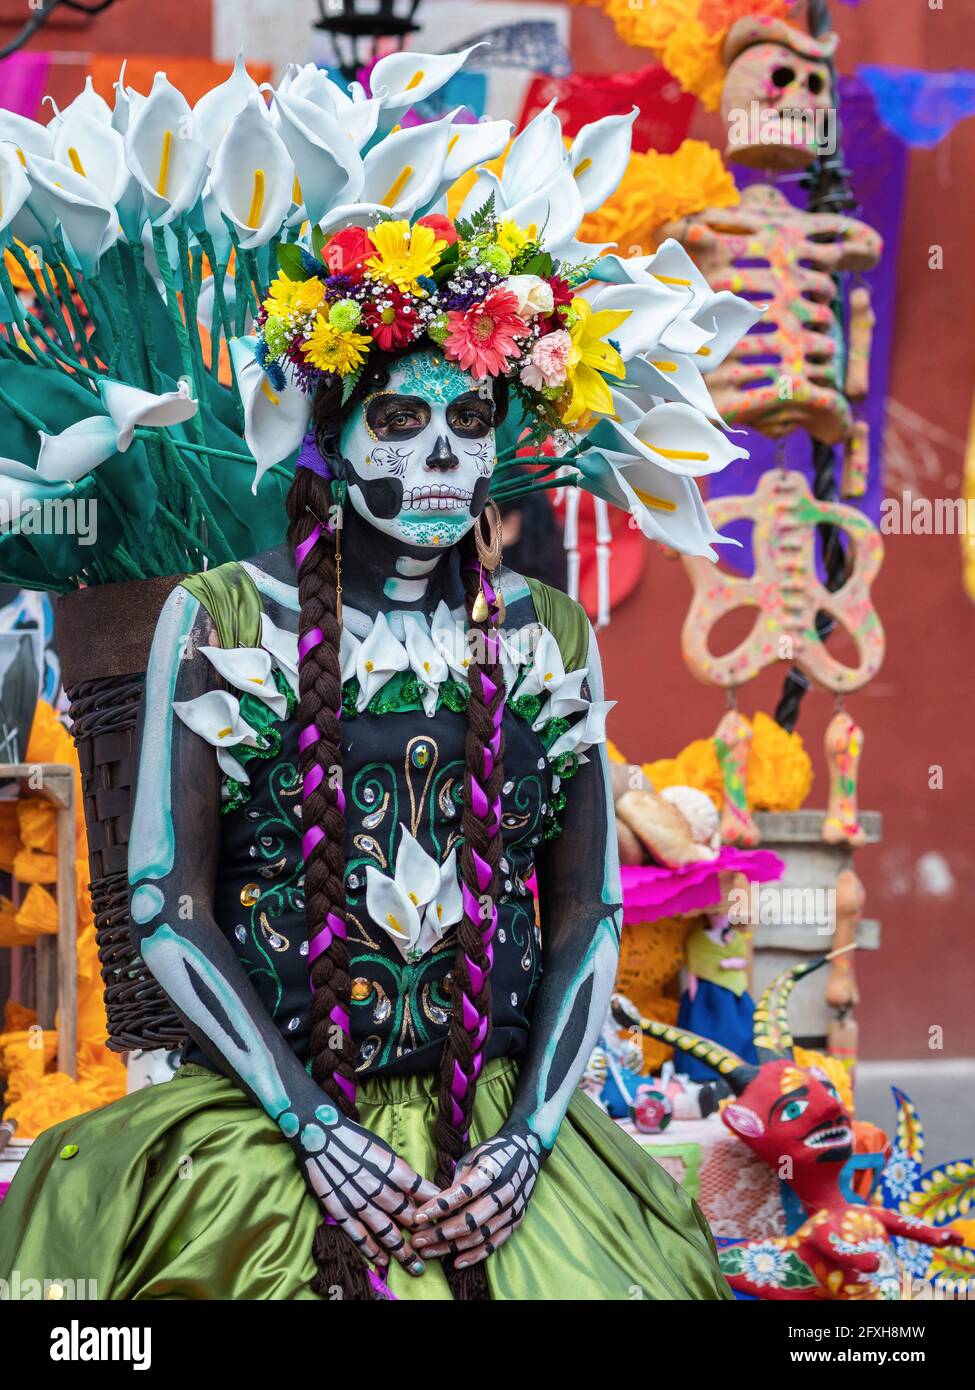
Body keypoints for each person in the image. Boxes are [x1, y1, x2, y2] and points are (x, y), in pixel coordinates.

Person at [0, 334, 731, 1300]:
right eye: (399, 419)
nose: (439, 452)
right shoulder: (221, 615)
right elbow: (165, 906)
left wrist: (525, 1146)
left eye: (467, 422)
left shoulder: (547, 630)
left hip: (496, 1136)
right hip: (266, 1123)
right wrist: (312, 1127)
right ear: (329, 434)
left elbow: (587, 913)